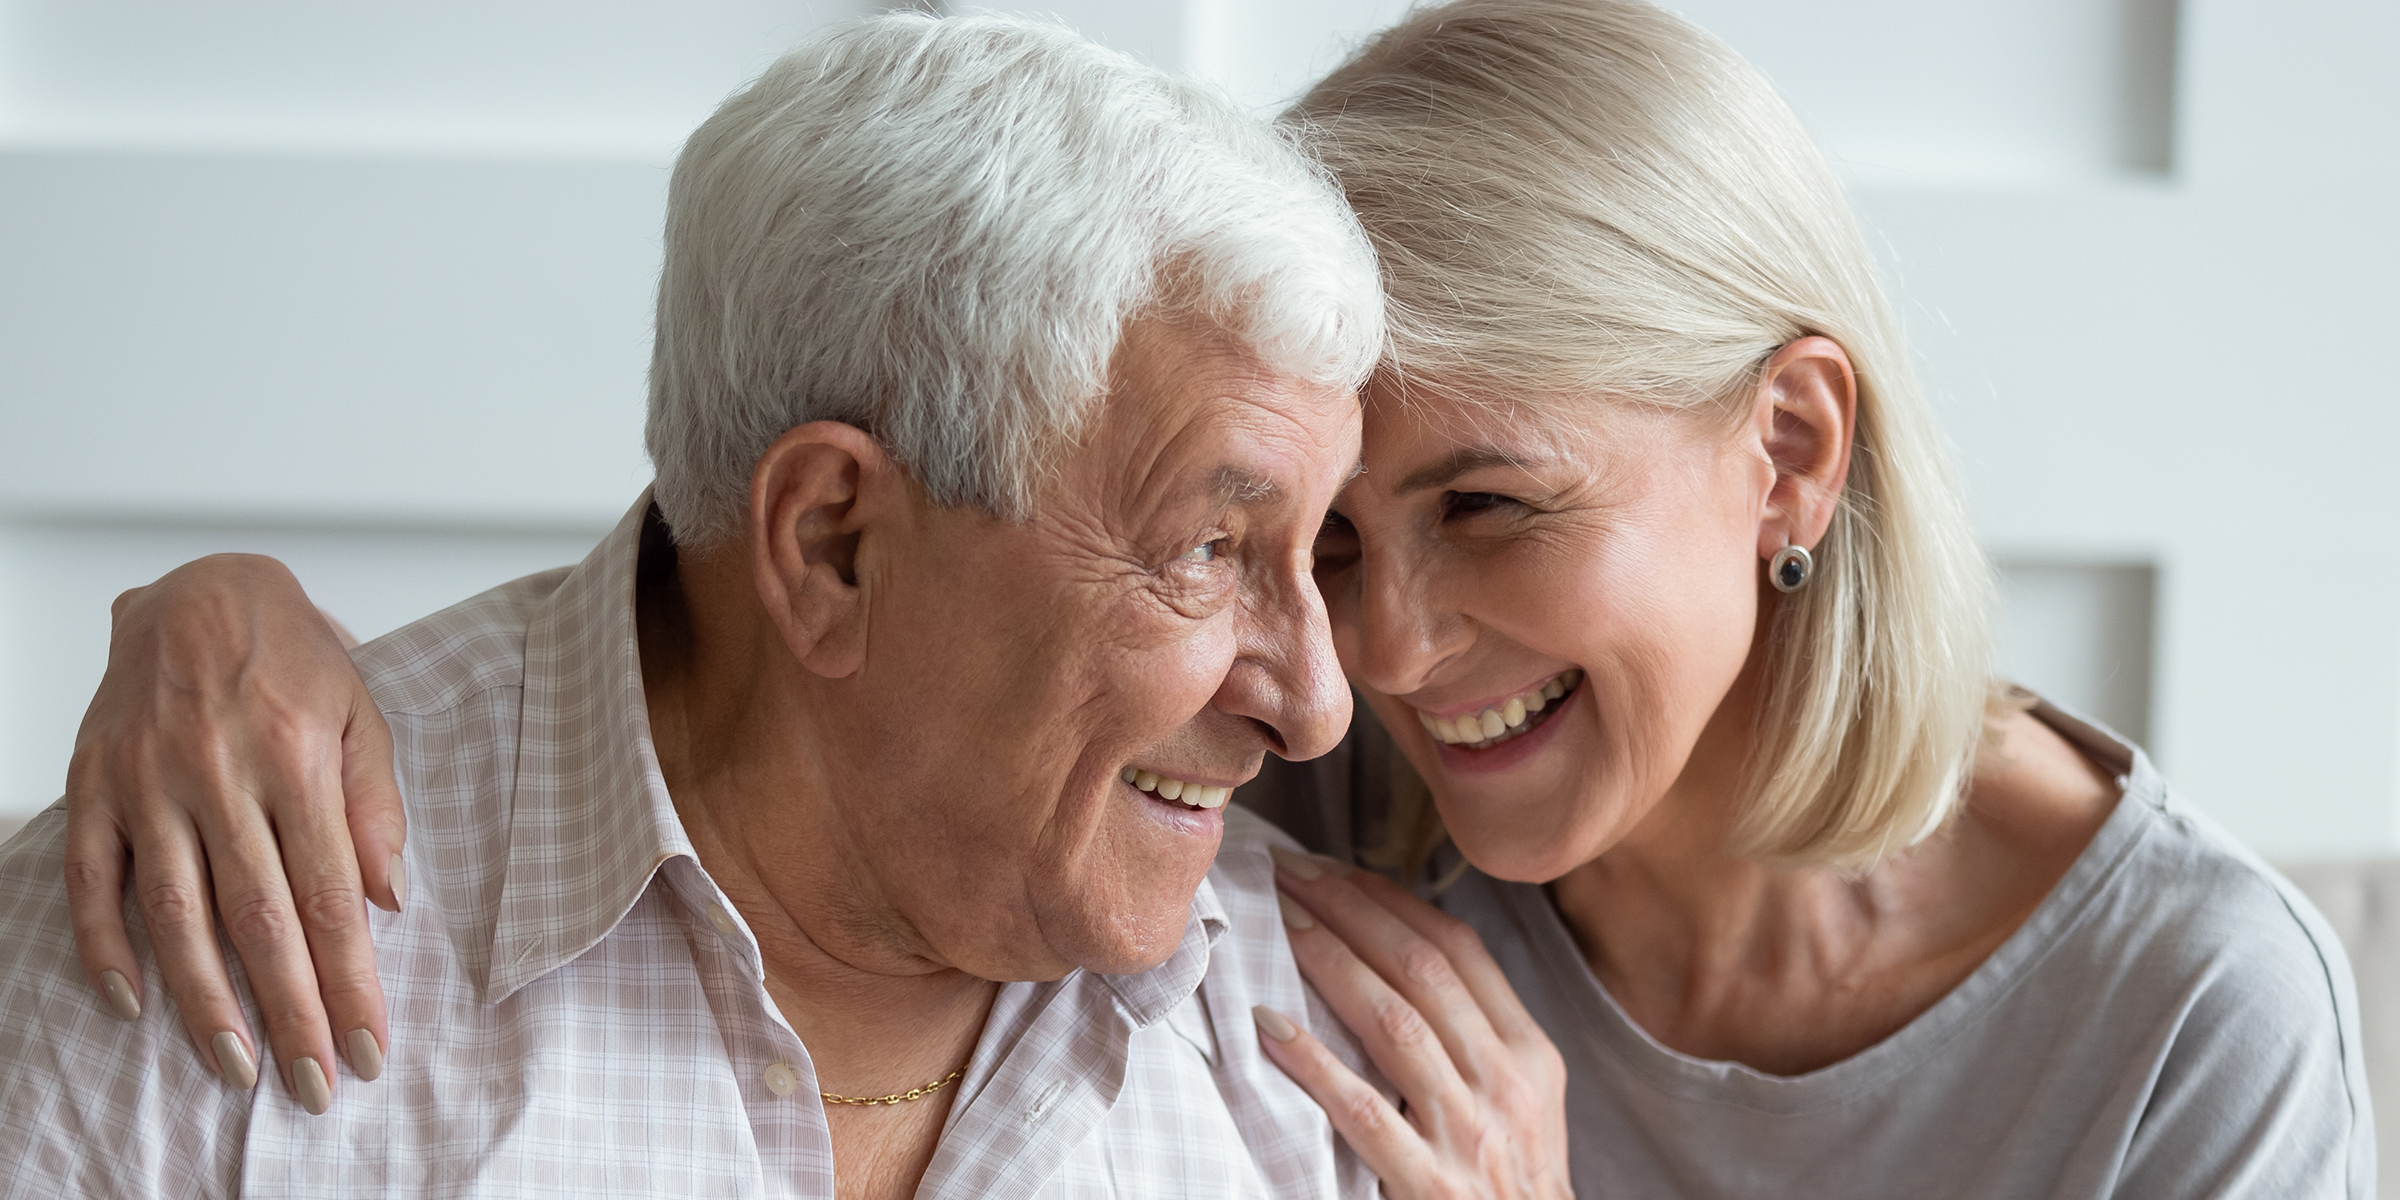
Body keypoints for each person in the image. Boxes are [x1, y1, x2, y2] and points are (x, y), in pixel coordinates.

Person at [50, 0, 2375, 1196]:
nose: (1366, 666)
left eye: (1490, 506)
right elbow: (803, 649)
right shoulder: (1313, 824)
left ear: (1791, 449)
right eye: (1307, 541)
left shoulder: (2184, 1017)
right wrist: (224, 619)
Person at [0, 12, 1573, 1198]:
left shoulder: (1350, 1075)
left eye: (1324, 555)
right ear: (831, 545)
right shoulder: (190, 951)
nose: (1314, 701)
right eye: (1212, 550)